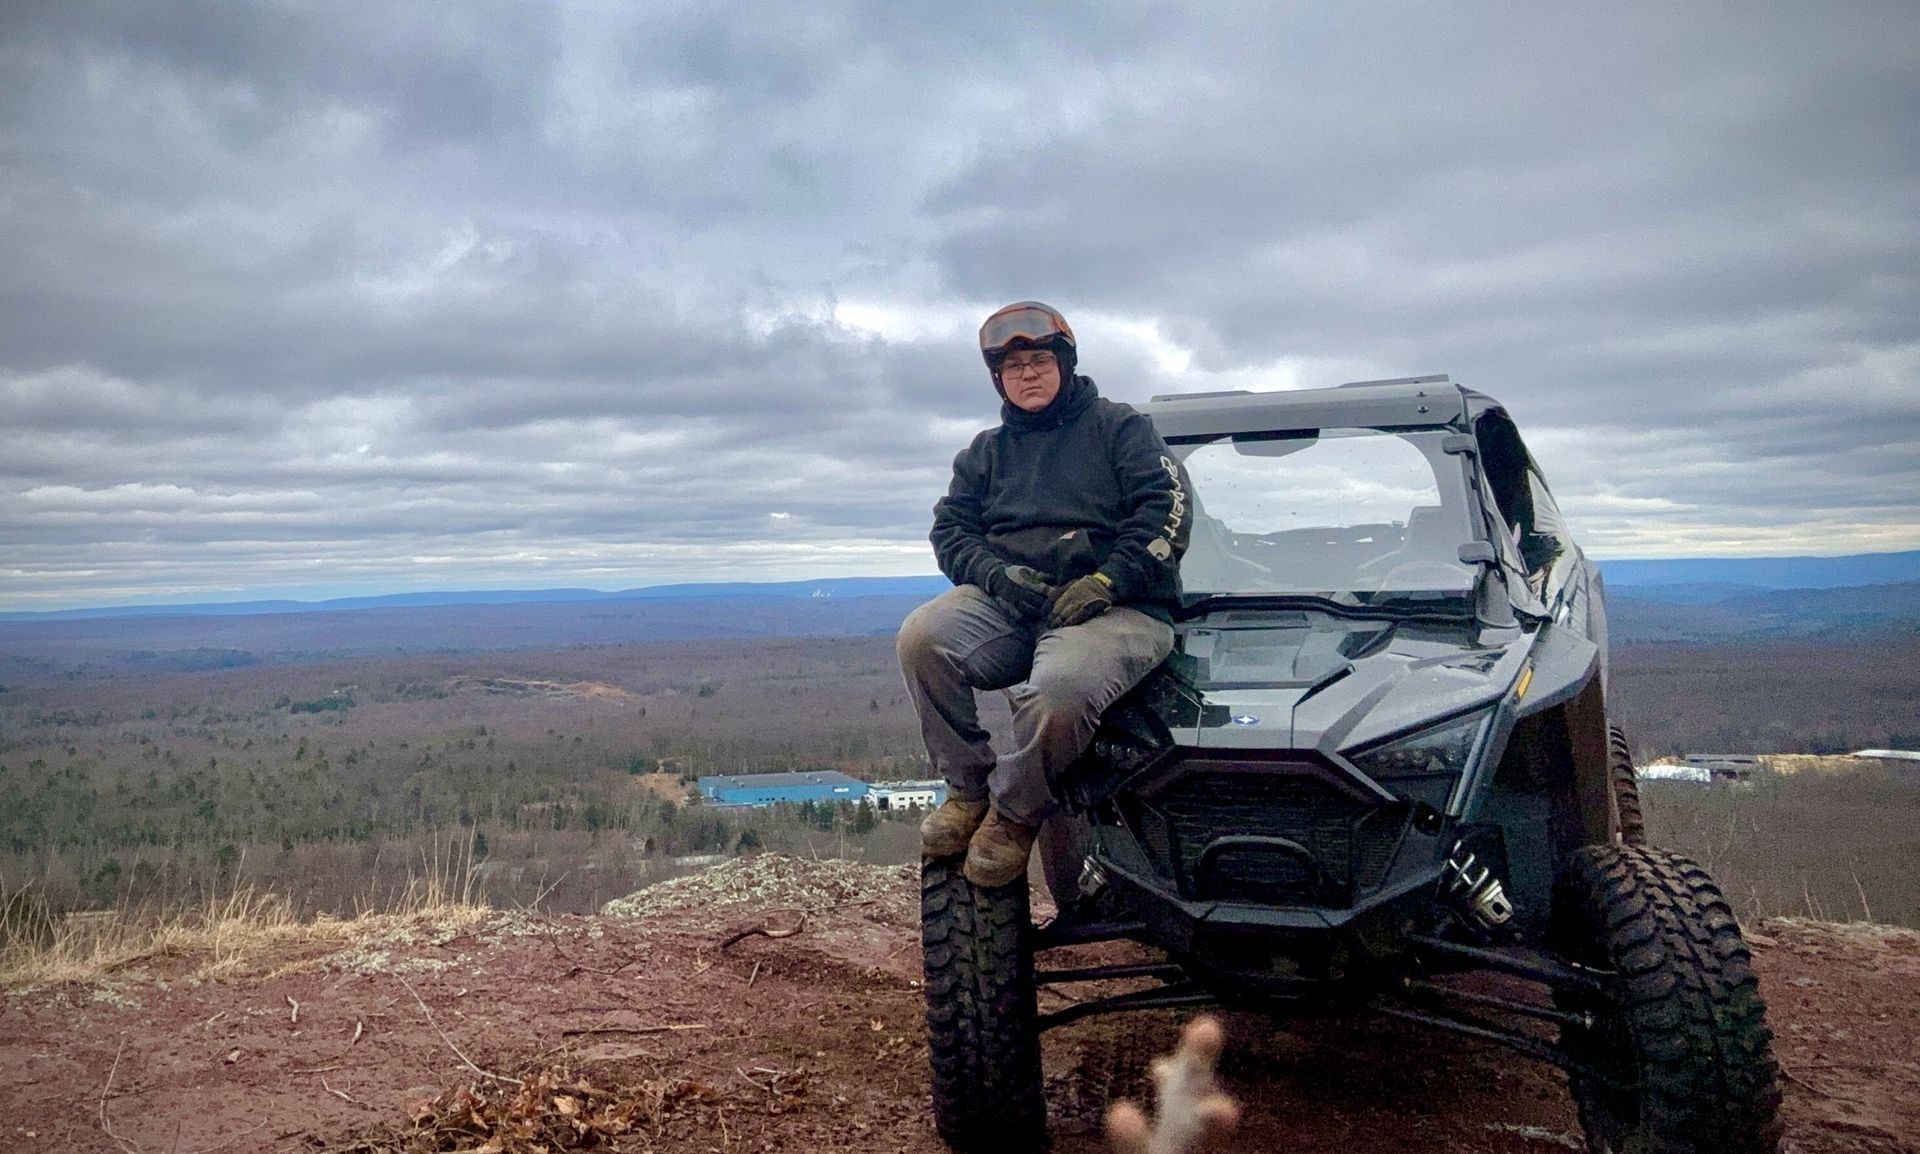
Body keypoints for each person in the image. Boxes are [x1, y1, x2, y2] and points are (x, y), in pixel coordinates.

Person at [897, 301, 1191, 888]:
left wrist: (1108, 581)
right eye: (1013, 367)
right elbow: (951, 531)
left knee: (1062, 688)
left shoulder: (1122, 429)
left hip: (1122, 608)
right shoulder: (985, 451)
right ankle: (967, 791)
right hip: (1015, 604)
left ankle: (1014, 813)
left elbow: (1167, 513)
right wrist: (997, 575)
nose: (1027, 374)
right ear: (998, 379)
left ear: (1065, 362)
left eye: (1039, 360)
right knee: (921, 639)